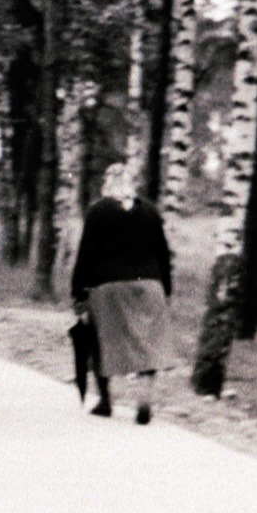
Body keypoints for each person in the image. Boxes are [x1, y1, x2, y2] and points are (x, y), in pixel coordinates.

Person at [70, 162, 172, 423]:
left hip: (108, 285)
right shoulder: (150, 211)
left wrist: (78, 291)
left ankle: (105, 401)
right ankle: (144, 401)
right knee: (148, 343)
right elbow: (162, 254)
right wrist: (166, 289)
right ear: (131, 184)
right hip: (149, 284)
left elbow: (86, 255)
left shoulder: (98, 211)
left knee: (101, 340)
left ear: (108, 183)